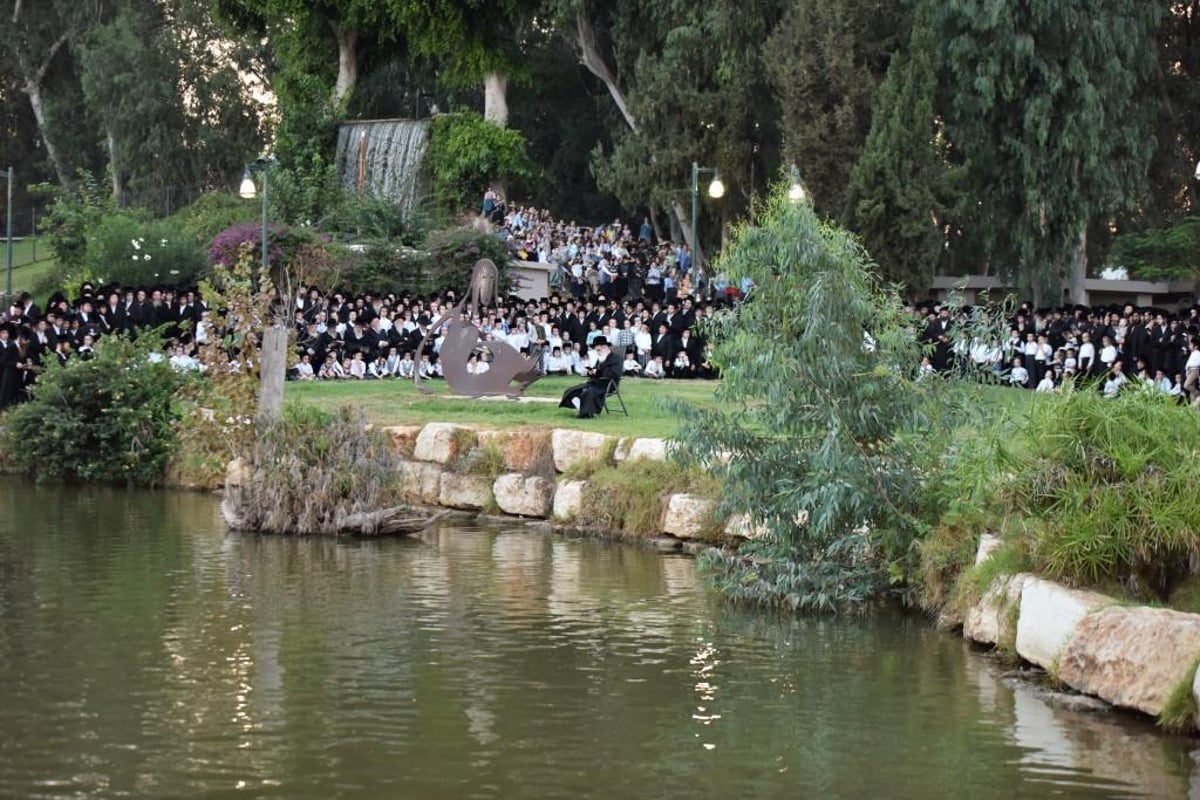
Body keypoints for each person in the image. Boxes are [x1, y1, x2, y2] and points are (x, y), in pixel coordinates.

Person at [558, 336, 623, 418]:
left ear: (605, 347)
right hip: (595, 382)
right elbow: (596, 371)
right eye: (596, 350)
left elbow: (616, 373)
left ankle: (586, 413)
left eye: (598, 350)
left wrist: (599, 372)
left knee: (587, 392)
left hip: (608, 384)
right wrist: (591, 372)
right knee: (572, 391)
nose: (597, 352)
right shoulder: (600, 358)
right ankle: (584, 410)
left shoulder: (616, 359)